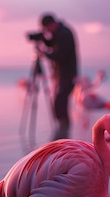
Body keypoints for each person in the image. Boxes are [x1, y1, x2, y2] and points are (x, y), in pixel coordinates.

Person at [34, 12, 79, 140]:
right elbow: (53, 43)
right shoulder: (60, 33)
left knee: (61, 100)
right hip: (62, 74)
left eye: (47, 28)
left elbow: (59, 55)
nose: (47, 31)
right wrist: (44, 40)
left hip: (67, 74)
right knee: (60, 100)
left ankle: (63, 132)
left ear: (52, 24)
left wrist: (43, 51)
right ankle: (62, 131)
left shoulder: (64, 34)